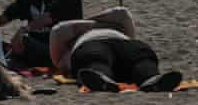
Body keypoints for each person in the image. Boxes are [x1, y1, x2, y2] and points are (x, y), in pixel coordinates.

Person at [49, 7, 182, 92]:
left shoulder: (66, 52)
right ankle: (151, 79)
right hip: (116, 41)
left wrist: (83, 27)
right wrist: (103, 24)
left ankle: (151, 80)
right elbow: (121, 15)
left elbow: (122, 13)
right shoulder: (65, 56)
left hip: (112, 43)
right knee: (139, 58)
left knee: (139, 57)